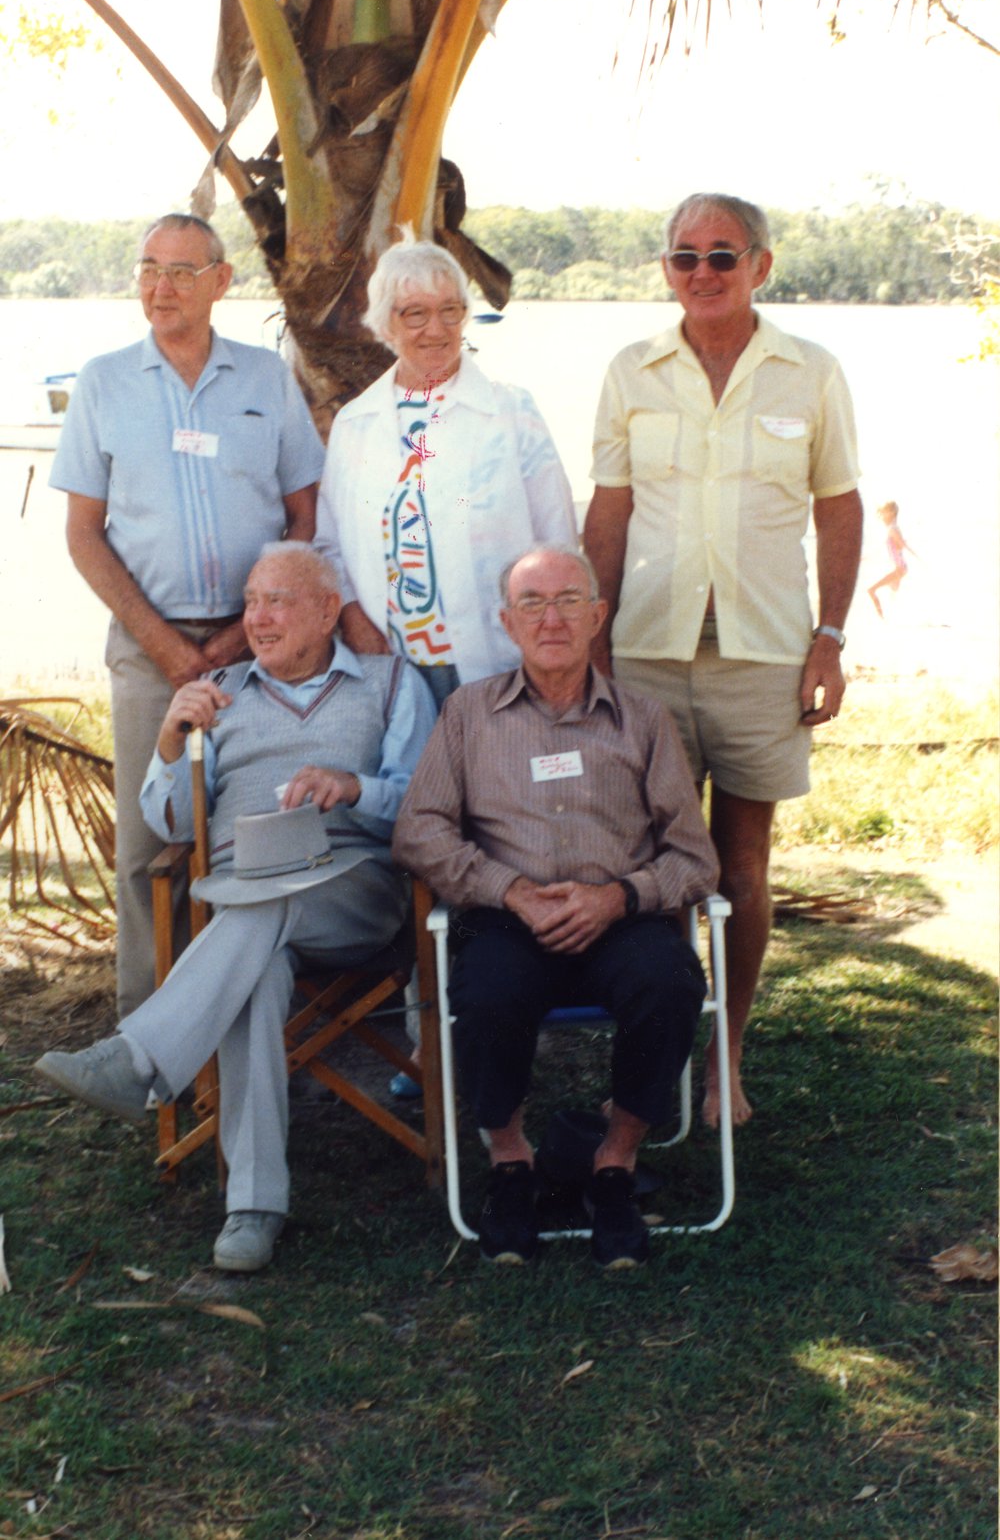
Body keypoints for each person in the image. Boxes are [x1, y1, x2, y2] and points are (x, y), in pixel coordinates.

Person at [34, 544, 437, 1274]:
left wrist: (354, 787)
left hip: (355, 895)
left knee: (253, 919)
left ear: (325, 609)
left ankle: (139, 1055)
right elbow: (173, 826)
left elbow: (429, 806)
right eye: (251, 600)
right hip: (246, 897)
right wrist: (169, 739)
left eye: (277, 599)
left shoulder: (389, 683)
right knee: (256, 963)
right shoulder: (220, 692)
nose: (257, 616)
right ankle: (253, 1207)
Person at [583, 192, 862, 1131]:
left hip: (765, 654)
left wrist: (829, 637)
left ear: (761, 266)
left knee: (742, 865)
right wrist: (591, 640)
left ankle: (724, 1060)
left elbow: (839, 508)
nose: (703, 273)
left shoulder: (810, 372)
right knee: (658, 866)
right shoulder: (632, 370)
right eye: (684, 257)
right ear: (665, 268)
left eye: (722, 256)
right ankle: (654, 1057)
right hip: (647, 656)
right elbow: (610, 511)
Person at [392, 546, 720, 1269]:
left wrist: (617, 896)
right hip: (512, 919)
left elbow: (696, 858)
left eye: (569, 599)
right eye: (532, 603)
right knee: (486, 991)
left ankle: (615, 1162)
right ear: (508, 622)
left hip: (620, 920)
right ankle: (512, 1162)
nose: (551, 618)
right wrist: (507, 889)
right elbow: (419, 828)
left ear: (597, 615)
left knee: (669, 982)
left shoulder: (644, 719)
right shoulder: (467, 714)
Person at [49, 213, 325, 1017]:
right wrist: (165, 646)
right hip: (147, 647)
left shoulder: (266, 378)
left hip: (264, 646)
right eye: (146, 269)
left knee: (258, 833)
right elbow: (82, 534)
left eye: (179, 271)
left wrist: (249, 633)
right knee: (146, 847)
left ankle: (255, 1020)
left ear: (221, 280)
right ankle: (150, 1040)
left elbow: (305, 518)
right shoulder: (103, 381)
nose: (159, 287)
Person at [315, 229, 576, 711]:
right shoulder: (354, 423)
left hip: (498, 661)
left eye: (450, 310)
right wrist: (356, 623)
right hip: (390, 666)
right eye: (414, 313)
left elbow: (557, 539)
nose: (435, 329)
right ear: (384, 324)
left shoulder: (511, 412)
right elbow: (330, 543)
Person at [868, 500, 916, 618]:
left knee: (871, 590)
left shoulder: (892, 529)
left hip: (900, 569)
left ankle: (883, 621)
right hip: (900, 568)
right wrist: (864, 558)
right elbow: (896, 547)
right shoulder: (892, 528)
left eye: (885, 513)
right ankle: (896, 619)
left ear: (892, 514)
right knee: (892, 597)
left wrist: (915, 554)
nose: (883, 516)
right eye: (882, 513)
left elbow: (901, 545)